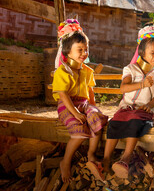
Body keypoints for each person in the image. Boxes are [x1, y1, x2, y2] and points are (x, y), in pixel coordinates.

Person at [98, 25, 154, 179]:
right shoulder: (130, 69)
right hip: (126, 108)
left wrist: (149, 106)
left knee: (135, 121)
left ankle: (126, 158)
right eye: (152, 53)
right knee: (114, 122)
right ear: (142, 52)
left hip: (144, 110)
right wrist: (142, 84)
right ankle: (106, 160)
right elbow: (123, 88)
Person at [52, 19, 108, 183]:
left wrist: (94, 109)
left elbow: (90, 92)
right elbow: (63, 95)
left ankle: (91, 154)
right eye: (80, 50)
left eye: (86, 49)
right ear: (68, 52)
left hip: (84, 104)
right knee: (79, 132)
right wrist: (75, 113)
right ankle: (66, 161)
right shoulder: (62, 72)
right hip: (67, 105)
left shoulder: (87, 71)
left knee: (97, 121)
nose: (84, 53)